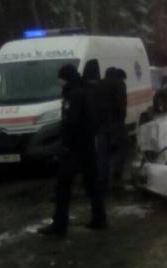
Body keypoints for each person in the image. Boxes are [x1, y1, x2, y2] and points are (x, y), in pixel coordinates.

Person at [39, 64, 106, 237]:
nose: (58, 81)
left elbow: (71, 122)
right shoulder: (86, 90)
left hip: (75, 148)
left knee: (63, 186)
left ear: (66, 78)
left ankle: (59, 225)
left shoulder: (73, 94)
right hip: (88, 145)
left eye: (60, 78)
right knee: (92, 184)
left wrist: (65, 143)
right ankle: (100, 219)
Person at [96, 67, 128, 192]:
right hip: (116, 122)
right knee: (124, 147)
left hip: (101, 124)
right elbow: (121, 103)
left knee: (103, 153)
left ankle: (102, 179)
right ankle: (117, 174)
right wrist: (121, 119)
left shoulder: (99, 84)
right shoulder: (119, 84)